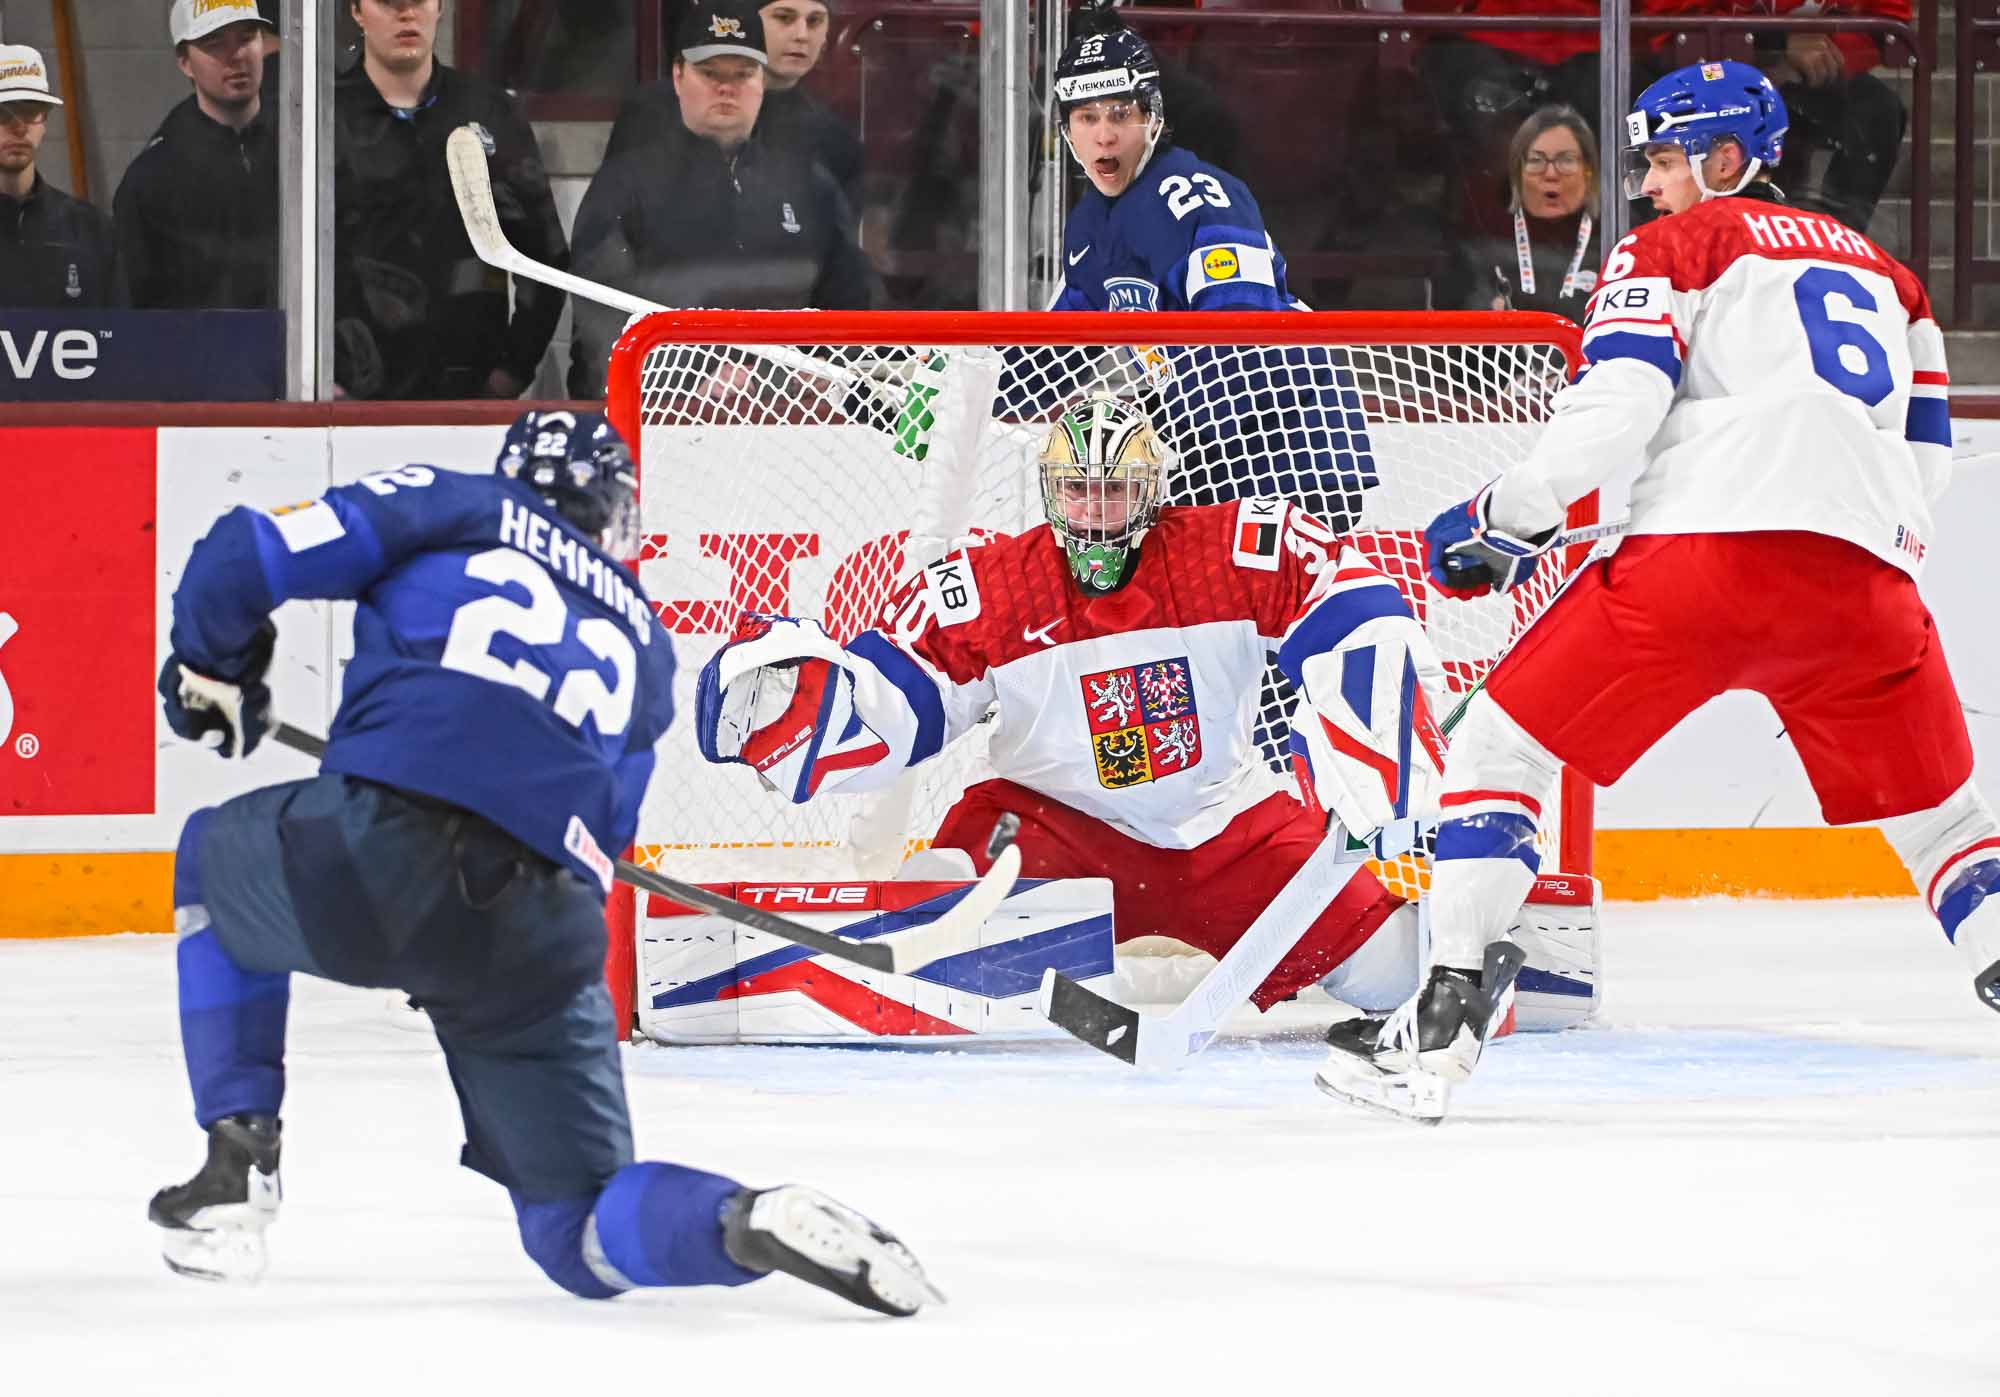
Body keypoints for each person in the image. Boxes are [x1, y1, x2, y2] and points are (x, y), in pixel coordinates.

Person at [1319, 60, 1999, 1118]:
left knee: (1500, 744)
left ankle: (1442, 1015)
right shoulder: (1889, 274)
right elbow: (1926, 463)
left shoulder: (1675, 246)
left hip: (1699, 569)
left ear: (1727, 159)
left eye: (1664, 160)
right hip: (1868, 582)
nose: (1642, 185)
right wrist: (1857, 554)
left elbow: (1615, 413)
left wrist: (1507, 515)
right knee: (1945, 824)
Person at [149, 409, 941, 1316]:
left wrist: (217, 669)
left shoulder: (452, 503)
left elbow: (244, 552)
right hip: (542, 929)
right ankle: (745, 1219)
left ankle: (239, 1158)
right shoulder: (644, 642)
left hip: (382, 853)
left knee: (208, 860)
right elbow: (603, 846)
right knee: (576, 1233)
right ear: (617, 511)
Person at [694, 392, 1449, 1020]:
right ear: (1049, 491)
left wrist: (1384, 763)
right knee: (941, 907)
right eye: (1077, 489)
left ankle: (1477, 936)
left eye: (1114, 490)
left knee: (1398, 973)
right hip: (1052, 828)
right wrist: (808, 704)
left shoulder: (1233, 552)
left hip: (1227, 833)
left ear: (1151, 490)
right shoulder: (994, 586)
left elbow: (1355, 603)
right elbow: (906, 699)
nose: (1094, 511)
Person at [567, 0, 877, 398]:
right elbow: (600, 313)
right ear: (678, 77)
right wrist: (685, 385)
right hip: (662, 413)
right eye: (709, 73)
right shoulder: (624, 183)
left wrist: (831, 370)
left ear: (761, 82)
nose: (726, 87)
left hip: (789, 414)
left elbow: (851, 300)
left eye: (743, 74)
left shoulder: (811, 184)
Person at [333, 0, 567, 399]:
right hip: (351, 394)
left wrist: (512, 371)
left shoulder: (490, 112)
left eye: (419, 1)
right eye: (388, 2)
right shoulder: (323, 116)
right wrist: (318, 378)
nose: (406, 13)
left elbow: (544, 254)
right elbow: (284, 260)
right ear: (356, 11)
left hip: (470, 389)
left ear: (440, 7)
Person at [604, 0, 861, 204]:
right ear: (745, 21)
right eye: (784, 18)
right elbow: (609, 226)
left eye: (815, 21)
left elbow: (840, 247)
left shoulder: (832, 137)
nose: (802, 35)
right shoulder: (656, 109)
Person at [114, 0, 279, 310]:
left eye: (247, 37)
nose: (236, 56)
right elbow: (136, 308)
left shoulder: (307, 146)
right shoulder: (153, 177)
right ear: (185, 62)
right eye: (215, 44)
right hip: (201, 340)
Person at [1446, 104, 1602, 321]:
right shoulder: (1483, 217)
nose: (1550, 173)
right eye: (1536, 160)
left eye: (1566, 160)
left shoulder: (1613, 224)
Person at [0, 43, 120, 308]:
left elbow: (120, 329)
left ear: (44, 120)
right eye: (3, 112)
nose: (19, 127)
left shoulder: (92, 230)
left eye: (30, 111)